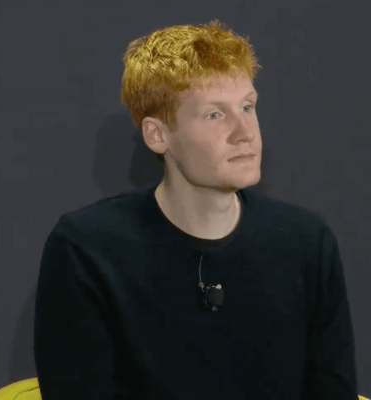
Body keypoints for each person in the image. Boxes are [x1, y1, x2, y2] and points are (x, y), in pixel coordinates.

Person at [34, 19, 358, 400]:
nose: (245, 132)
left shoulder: (306, 243)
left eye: (247, 106)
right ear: (158, 135)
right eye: (214, 115)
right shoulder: (86, 250)